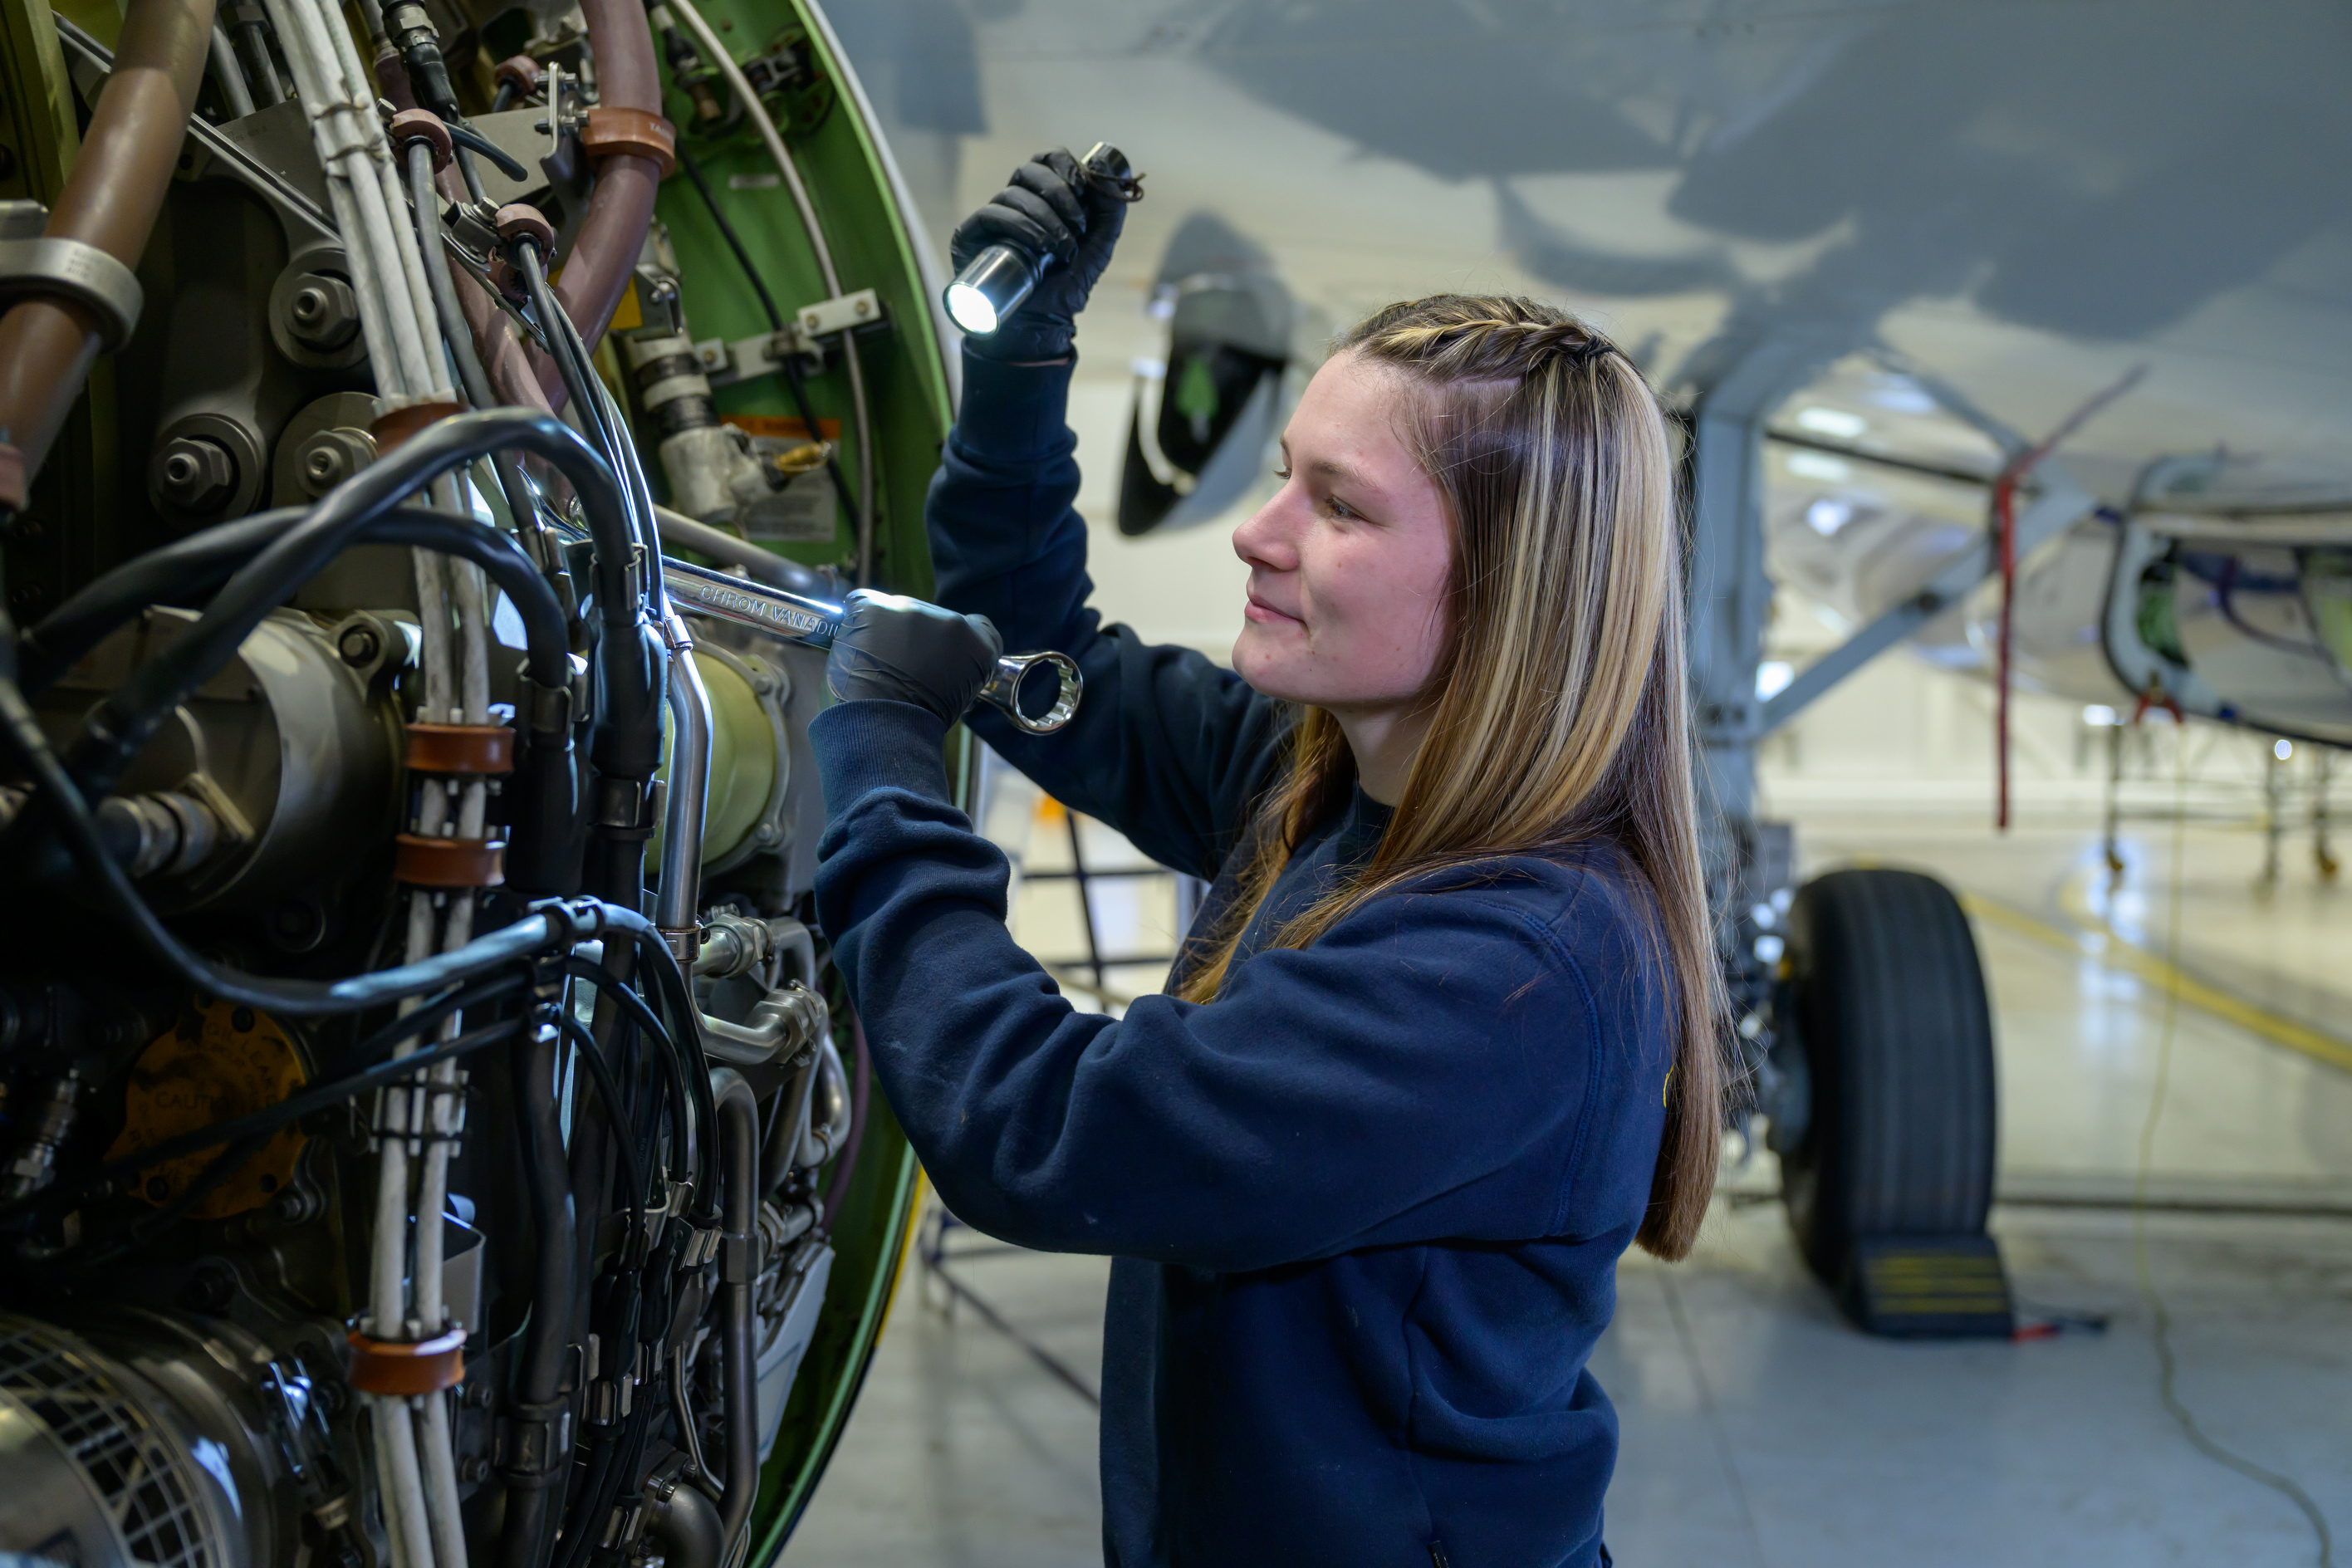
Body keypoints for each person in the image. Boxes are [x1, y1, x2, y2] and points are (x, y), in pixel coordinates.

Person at [806, 149, 1729, 1568]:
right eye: (1285, 474)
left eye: (1340, 508)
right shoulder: (1319, 784)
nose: (1259, 531)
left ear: (1507, 596)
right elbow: (1039, 659)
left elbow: (1041, 1133)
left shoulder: (1516, 968)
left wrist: (874, 776)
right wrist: (1019, 366)